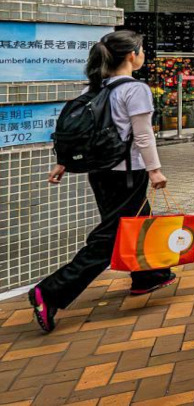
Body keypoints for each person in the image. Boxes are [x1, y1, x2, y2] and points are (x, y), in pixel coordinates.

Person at [30, 30, 175, 333]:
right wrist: (155, 170)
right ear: (131, 55)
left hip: (101, 171)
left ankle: (149, 275)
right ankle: (52, 291)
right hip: (127, 172)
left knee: (135, 219)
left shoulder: (93, 87)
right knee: (112, 236)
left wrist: (63, 163)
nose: (144, 54)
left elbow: (78, 131)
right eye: (142, 49)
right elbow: (143, 135)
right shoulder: (135, 90)